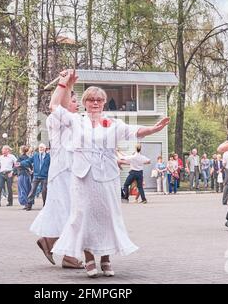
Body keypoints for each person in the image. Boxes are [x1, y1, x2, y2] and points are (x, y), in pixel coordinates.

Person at [49, 69, 170, 277]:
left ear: (104, 103)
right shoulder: (76, 120)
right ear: (85, 103)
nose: (95, 103)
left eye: (99, 100)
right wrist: (63, 84)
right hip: (82, 177)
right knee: (83, 216)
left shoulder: (114, 123)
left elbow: (136, 131)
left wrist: (154, 130)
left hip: (107, 176)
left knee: (107, 216)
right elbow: (54, 106)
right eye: (91, 100)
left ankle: (106, 258)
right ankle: (88, 259)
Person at [30, 91, 84, 269]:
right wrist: (64, 84)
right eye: (74, 101)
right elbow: (54, 104)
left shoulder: (75, 122)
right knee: (70, 212)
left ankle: (50, 241)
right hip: (62, 173)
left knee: (69, 212)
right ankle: (67, 254)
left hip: (72, 172)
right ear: (64, 103)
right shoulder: (55, 121)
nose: (78, 104)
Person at [19, 143, 50, 211]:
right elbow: (28, 161)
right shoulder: (35, 156)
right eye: (40, 148)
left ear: (45, 149)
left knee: (44, 190)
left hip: (44, 176)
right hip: (36, 176)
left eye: (42, 147)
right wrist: (21, 163)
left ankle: (45, 205)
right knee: (32, 190)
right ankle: (29, 205)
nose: (41, 149)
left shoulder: (48, 156)